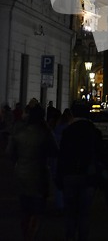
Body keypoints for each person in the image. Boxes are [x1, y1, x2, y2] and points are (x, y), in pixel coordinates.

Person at [6, 102, 59, 240]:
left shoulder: (19, 132)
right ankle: (31, 233)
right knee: (37, 209)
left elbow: (10, 153)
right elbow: (55, 151)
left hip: (22, 173)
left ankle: (26, 233)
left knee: (25, 209)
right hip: (39, 174)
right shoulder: (45, 133)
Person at [56, 102, 104, 241]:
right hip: (88, 176)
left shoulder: (68, 131)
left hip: (69, 175)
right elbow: (100, 155)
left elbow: (62, 156)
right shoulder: (94, 132)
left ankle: (70, 236)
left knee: (70, 212)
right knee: (84, 213)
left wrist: (59, 178)